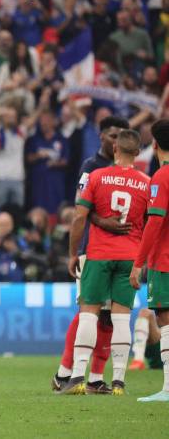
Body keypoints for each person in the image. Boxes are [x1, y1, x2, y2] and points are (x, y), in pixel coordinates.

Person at [61, 129, 150, 395]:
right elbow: (151, 223)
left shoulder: (96, 177)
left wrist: (73, 253)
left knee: (89, 312)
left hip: (99, 254)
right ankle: (119, 382)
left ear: (115, 150)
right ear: (137, 153)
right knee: (122, 318)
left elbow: (79, 217)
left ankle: (77, 377)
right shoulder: (146, 183)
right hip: (129, 256)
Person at [51, 115, 130, 394]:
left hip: (118, 252)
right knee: (88, 311)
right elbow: (80, 208)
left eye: (121, 135)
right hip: (92, 248)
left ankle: (96, 377)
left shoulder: (128, 171)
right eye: (112, 135)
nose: (116, 140)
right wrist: (103, 223)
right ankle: (64, 373)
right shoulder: (91, 167)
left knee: (108, 317)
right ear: (101, 137)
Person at [130, 118, 169, 402]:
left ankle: (168, 388)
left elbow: (154, 223)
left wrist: (138, 262)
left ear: (154, 144)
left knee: (165, 318)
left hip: (164, 261)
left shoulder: (161, 177)